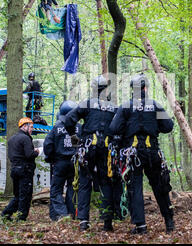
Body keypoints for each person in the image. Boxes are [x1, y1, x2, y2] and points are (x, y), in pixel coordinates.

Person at [109, 74, 175, 234]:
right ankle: (169, 222)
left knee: (135, 188)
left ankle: (141, 226)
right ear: (145, 88)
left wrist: (127, 128)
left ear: (133, 89)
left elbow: (114, 128)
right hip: (152, 152)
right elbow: (168, 126)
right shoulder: (155, 105)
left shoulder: (126, 107)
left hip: (133, 154)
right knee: (160, 187)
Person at [64, 75, 119, 232]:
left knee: (84, 182)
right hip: (107, 149)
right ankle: (107, 222)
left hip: (88, 148)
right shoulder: (113, 107)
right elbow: (120, 126)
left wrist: (74, 137)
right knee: (106, 183)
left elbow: (68, 120)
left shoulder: (86, 104)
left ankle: (84, 221)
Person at [43, 100, 81, 221]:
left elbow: (48, 145)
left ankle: (62, 214)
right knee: (71, 188)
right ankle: (70, 213)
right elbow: (79, 145)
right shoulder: (79, 128)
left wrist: (50, 158)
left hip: (60, 162)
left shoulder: (57, 127)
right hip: (74, 162)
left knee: (56, 190)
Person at [1, 117, 40, 221]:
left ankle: (6, 214)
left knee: (18, 195)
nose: (32, 129)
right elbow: (29, 154)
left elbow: (11, 155)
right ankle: (21, 217)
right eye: (31, 127)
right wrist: (36, 151)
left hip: (15, 170)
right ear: (24, 126)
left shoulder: (11, 139)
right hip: (25, 171)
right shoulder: (25, 138)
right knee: (25, 195)